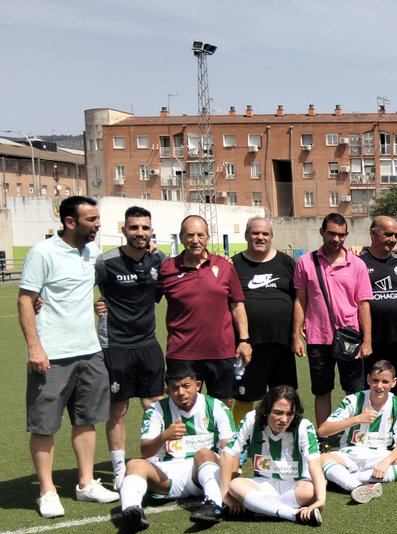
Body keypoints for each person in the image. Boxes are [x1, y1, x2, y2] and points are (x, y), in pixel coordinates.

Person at [19, 195, 118, 517]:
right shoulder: (42, 253)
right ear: (70, 222)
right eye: (92, 220)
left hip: (90, 352)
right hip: (52, 355)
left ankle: (86, 483)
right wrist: (35, 347)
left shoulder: (92, 253)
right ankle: (47, 491)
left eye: (98, 219)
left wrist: (97, 306)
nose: (98, 225)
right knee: (44, 425)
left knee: (86, 420)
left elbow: (86, 293)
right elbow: (25, 301)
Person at [114, 363, 236, 533]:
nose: (181, 393)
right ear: (167, 391)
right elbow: (146, 451)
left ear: (198, 385)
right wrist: (164, 436)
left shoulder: (215, 406)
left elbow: (229, 450)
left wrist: (230, 482)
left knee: (203, 453)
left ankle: (213, 506)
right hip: (168, 476)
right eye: (175, 388)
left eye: (186, 386)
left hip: (202, 471)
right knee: (134, 464)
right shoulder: (156, 410)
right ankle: (132, 511)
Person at [94, 205, 165, 487]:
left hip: (148, 343)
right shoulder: (106, 262)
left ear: (151, 231)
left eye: (145, 228)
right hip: (116, 345)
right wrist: (97, 306)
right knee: (118, 409)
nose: (139, 233)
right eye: (134, 227)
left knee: (154, 405)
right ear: (124, 230)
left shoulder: (159, 259)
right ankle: (119, 468)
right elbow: (78, 286)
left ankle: (158, 458)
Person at [158, 215, 253, 401]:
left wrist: (244, 340)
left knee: (222, 410)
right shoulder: (167, 269)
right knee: (183, 410)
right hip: (182, 353)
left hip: (221, 352)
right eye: (190, 235)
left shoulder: (224, 266)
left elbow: (237, 305)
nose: (195, 240)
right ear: (181, 237)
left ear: (208, 238)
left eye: (200, 235)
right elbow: (144, 298)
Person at [293, 212, 373, 426]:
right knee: (322, 390)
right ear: (322, 232)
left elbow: (363, 304)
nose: (336, 239)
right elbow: (300, 300)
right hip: (317, 338)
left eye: (341, 235)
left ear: (346, 235)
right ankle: (323, 436)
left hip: (350, 337)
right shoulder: (305, 262)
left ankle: (354, 435)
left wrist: (367, 341)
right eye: (331, 233)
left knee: (354, 392)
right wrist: (295, 336)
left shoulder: (357, 265)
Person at [317, 359, 397, 502]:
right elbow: (322, 431)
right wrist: (358, 418)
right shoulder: (352, 400)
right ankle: (357, 486)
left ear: (394, 382)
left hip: (381, 455)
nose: (379, 386)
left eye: (385, 382)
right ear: (368, 379)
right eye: (375, 380)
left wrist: (386, 462)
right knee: (322, 459)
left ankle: (348, 479)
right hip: (352, 453)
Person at [224, 385, 325, 526]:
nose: (284, 419)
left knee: (311, 490)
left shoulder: (303, 426)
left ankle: (258, 506)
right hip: (264, 483)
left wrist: (320, 500)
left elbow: (314, 463)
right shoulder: (252, 419)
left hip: (295, 486)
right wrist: (224, 495)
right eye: (278, 412)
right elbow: (228, 454)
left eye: (289, 414)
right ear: (266, 410)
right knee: (235, 485)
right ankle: (293, 514)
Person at [231, 217, 298, 423]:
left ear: (271, 237)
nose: (260, 237)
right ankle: (239, 443)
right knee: (244, 397)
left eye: (265, 234)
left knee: (285, 396)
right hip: (248, 345)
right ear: (246, 235)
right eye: (255, 233)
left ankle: (287, 437)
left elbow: (300, 299)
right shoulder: (233, 264)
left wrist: (298, 332)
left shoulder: (286, 263)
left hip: (281, 345)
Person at [358, 215, 397, 403]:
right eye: (388, 234)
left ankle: (394, 424)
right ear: (373, 234)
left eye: (396, 235)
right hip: (368, 337)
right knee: (368, 383)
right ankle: (367, 425)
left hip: (396, 336)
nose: (393, 239)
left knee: (395, 383)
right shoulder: (359, 261)